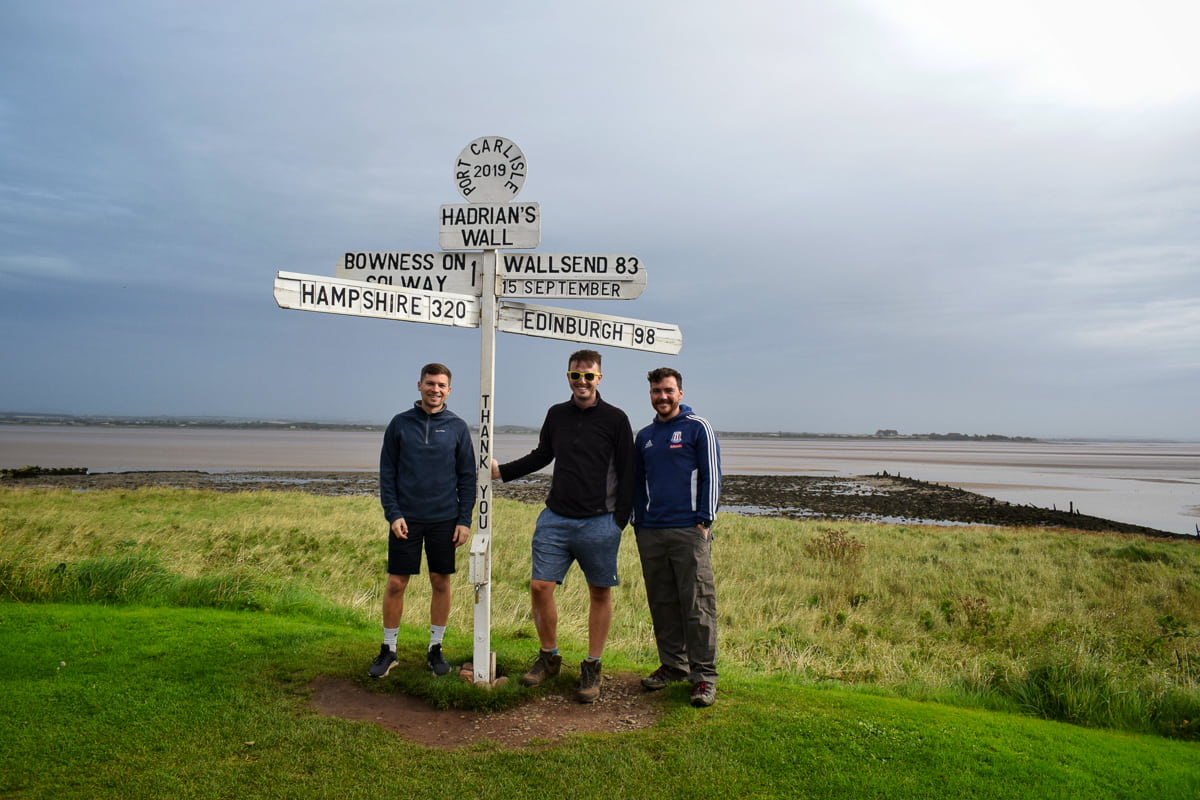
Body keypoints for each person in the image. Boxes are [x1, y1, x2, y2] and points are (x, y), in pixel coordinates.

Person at [491, 349, 634, 703]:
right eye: (576, 376)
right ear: (567, 377)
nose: (582, 382)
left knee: (599, 592)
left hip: (600, 521)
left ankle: (593, 665)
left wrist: (620, 521)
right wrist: (501, 472)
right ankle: (549, 656)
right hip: (555, 518)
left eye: (589, 376)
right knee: (540, 586)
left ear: (599, 378)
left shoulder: (616, 419)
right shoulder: (557, 415)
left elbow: (630, 471)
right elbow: (543, 455)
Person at [369, 363, 475, 679]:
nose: (435, 390)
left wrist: (464, 520)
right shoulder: (400, 424)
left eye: (441, 385)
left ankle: (435, 649)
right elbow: (387, 473)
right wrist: (394, 514)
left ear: (449, 390)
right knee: (396, 583)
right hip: (407, 519)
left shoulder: (457, 427)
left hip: (445, 519)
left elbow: (467, 477)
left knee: (441, 582)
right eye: (430, 384)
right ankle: (389, 650)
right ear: (419, 385)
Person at [632, 367, 722, 707]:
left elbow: (711, 474)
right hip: (652, 532)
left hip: (689, 530)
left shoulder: (698, 427)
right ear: (651, 395)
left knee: (698, 604)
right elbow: (637, 483)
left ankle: (704, 677)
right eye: (657, 391)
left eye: (668, 391)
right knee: (663, 603)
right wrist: (638, 521)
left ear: (680, 393)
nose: (663, 397)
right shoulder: (645, 436)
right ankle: (674, 665)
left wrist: (704, 520)